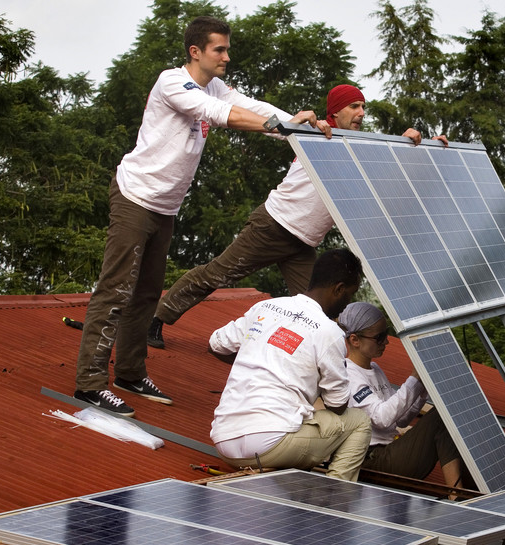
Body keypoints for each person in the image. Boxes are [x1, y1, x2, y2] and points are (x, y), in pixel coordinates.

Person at [73, 16, 331, 417]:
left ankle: (128, 372)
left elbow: (247, 105)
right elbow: (220, 112)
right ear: (196, 52)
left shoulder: (214, 84)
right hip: (135, 197)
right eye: (219, 50)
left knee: (145, 293)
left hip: (165, 207)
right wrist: (279, 126)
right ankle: (89, 384)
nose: (227, 56)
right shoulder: (172, 82)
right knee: (117, 289)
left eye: (227, 49)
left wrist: (295, 124)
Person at [147, 84, 448, 350]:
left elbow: (386, 165)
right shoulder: (314, 135)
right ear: (335, 112)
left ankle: (308, 360)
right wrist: (307, 123)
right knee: (217, 274)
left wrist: (415, 146)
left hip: (304, 244)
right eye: (354, 106)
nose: (361, 113)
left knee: (319, 306)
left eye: (363, 107)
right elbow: (277, 122)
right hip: (273, 226)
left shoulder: (358, 148)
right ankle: (157, 318)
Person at [208, 248, 371, 481]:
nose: (347, 303)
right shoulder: (329, 332)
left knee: (301, 419)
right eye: (350, 294)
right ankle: (334, 498)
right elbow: (337, 405)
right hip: (270, 446)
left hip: (224, 440)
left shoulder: (266, 307)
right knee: (359, 422)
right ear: (339, 289)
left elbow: (215, 344)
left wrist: (263, 356)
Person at [338, 302, 469, 490]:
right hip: (372, 461)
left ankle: (468, 491)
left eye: (386, 333)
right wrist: (414, 378)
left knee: (443, 415)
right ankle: (456, 494)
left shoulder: (374, 369)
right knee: (440, 419)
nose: (386, 341)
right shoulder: (349, 374)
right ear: (355, 340)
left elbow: (400, 419)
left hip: (388, 452)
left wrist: (422, 388)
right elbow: (383, 418)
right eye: (379, 337)